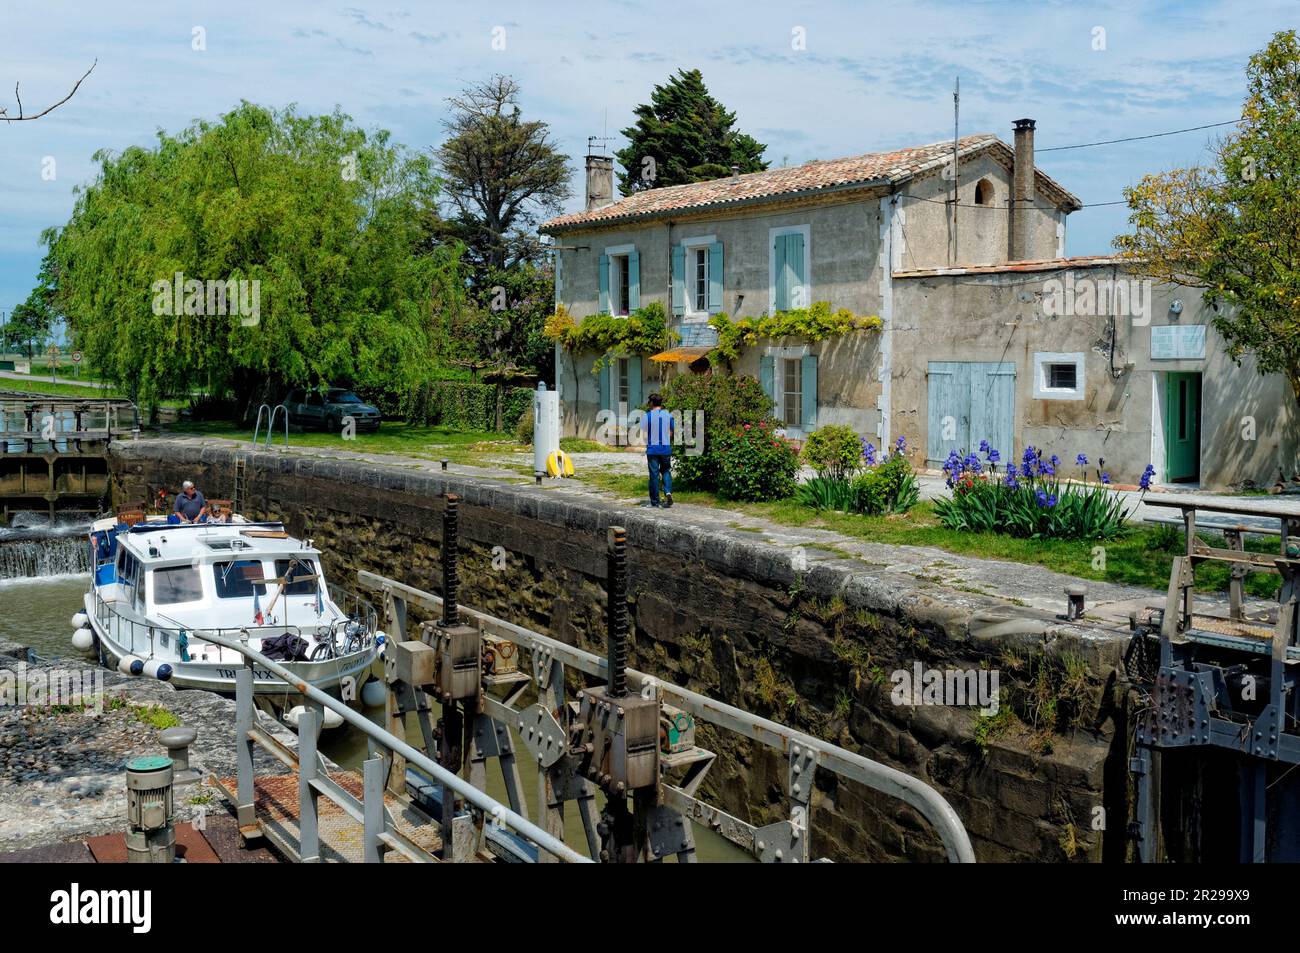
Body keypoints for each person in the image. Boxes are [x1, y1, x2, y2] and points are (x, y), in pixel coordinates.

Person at [641, 393, 675, 508]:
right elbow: (671, 431)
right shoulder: (668, 415)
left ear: (651, 403)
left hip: (653, 449)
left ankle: (655, 502)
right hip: (665, 448)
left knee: (654, 475)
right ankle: (668, 492)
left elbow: (644, 432)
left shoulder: (647, 416)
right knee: (666, 471)